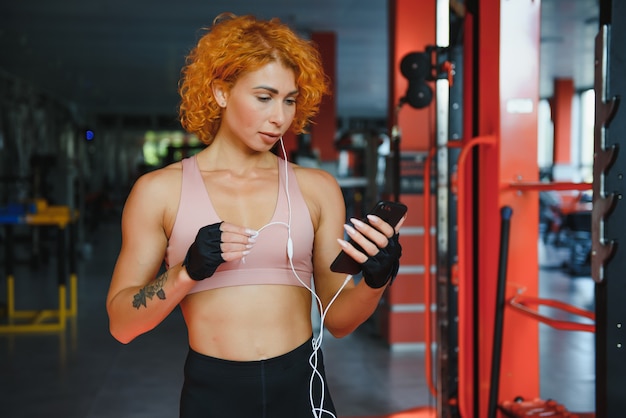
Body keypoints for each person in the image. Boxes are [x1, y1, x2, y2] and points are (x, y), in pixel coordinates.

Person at [106, 12, 405, 418]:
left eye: (289, 100)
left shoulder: (316, 188)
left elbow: (338, 320)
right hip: (214, 393)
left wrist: (375, 279)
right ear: (221, 93)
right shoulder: (159, 191)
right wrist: (187, 272)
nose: (279, 117)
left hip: (302, 386)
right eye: (264, 97)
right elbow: (123, 326)